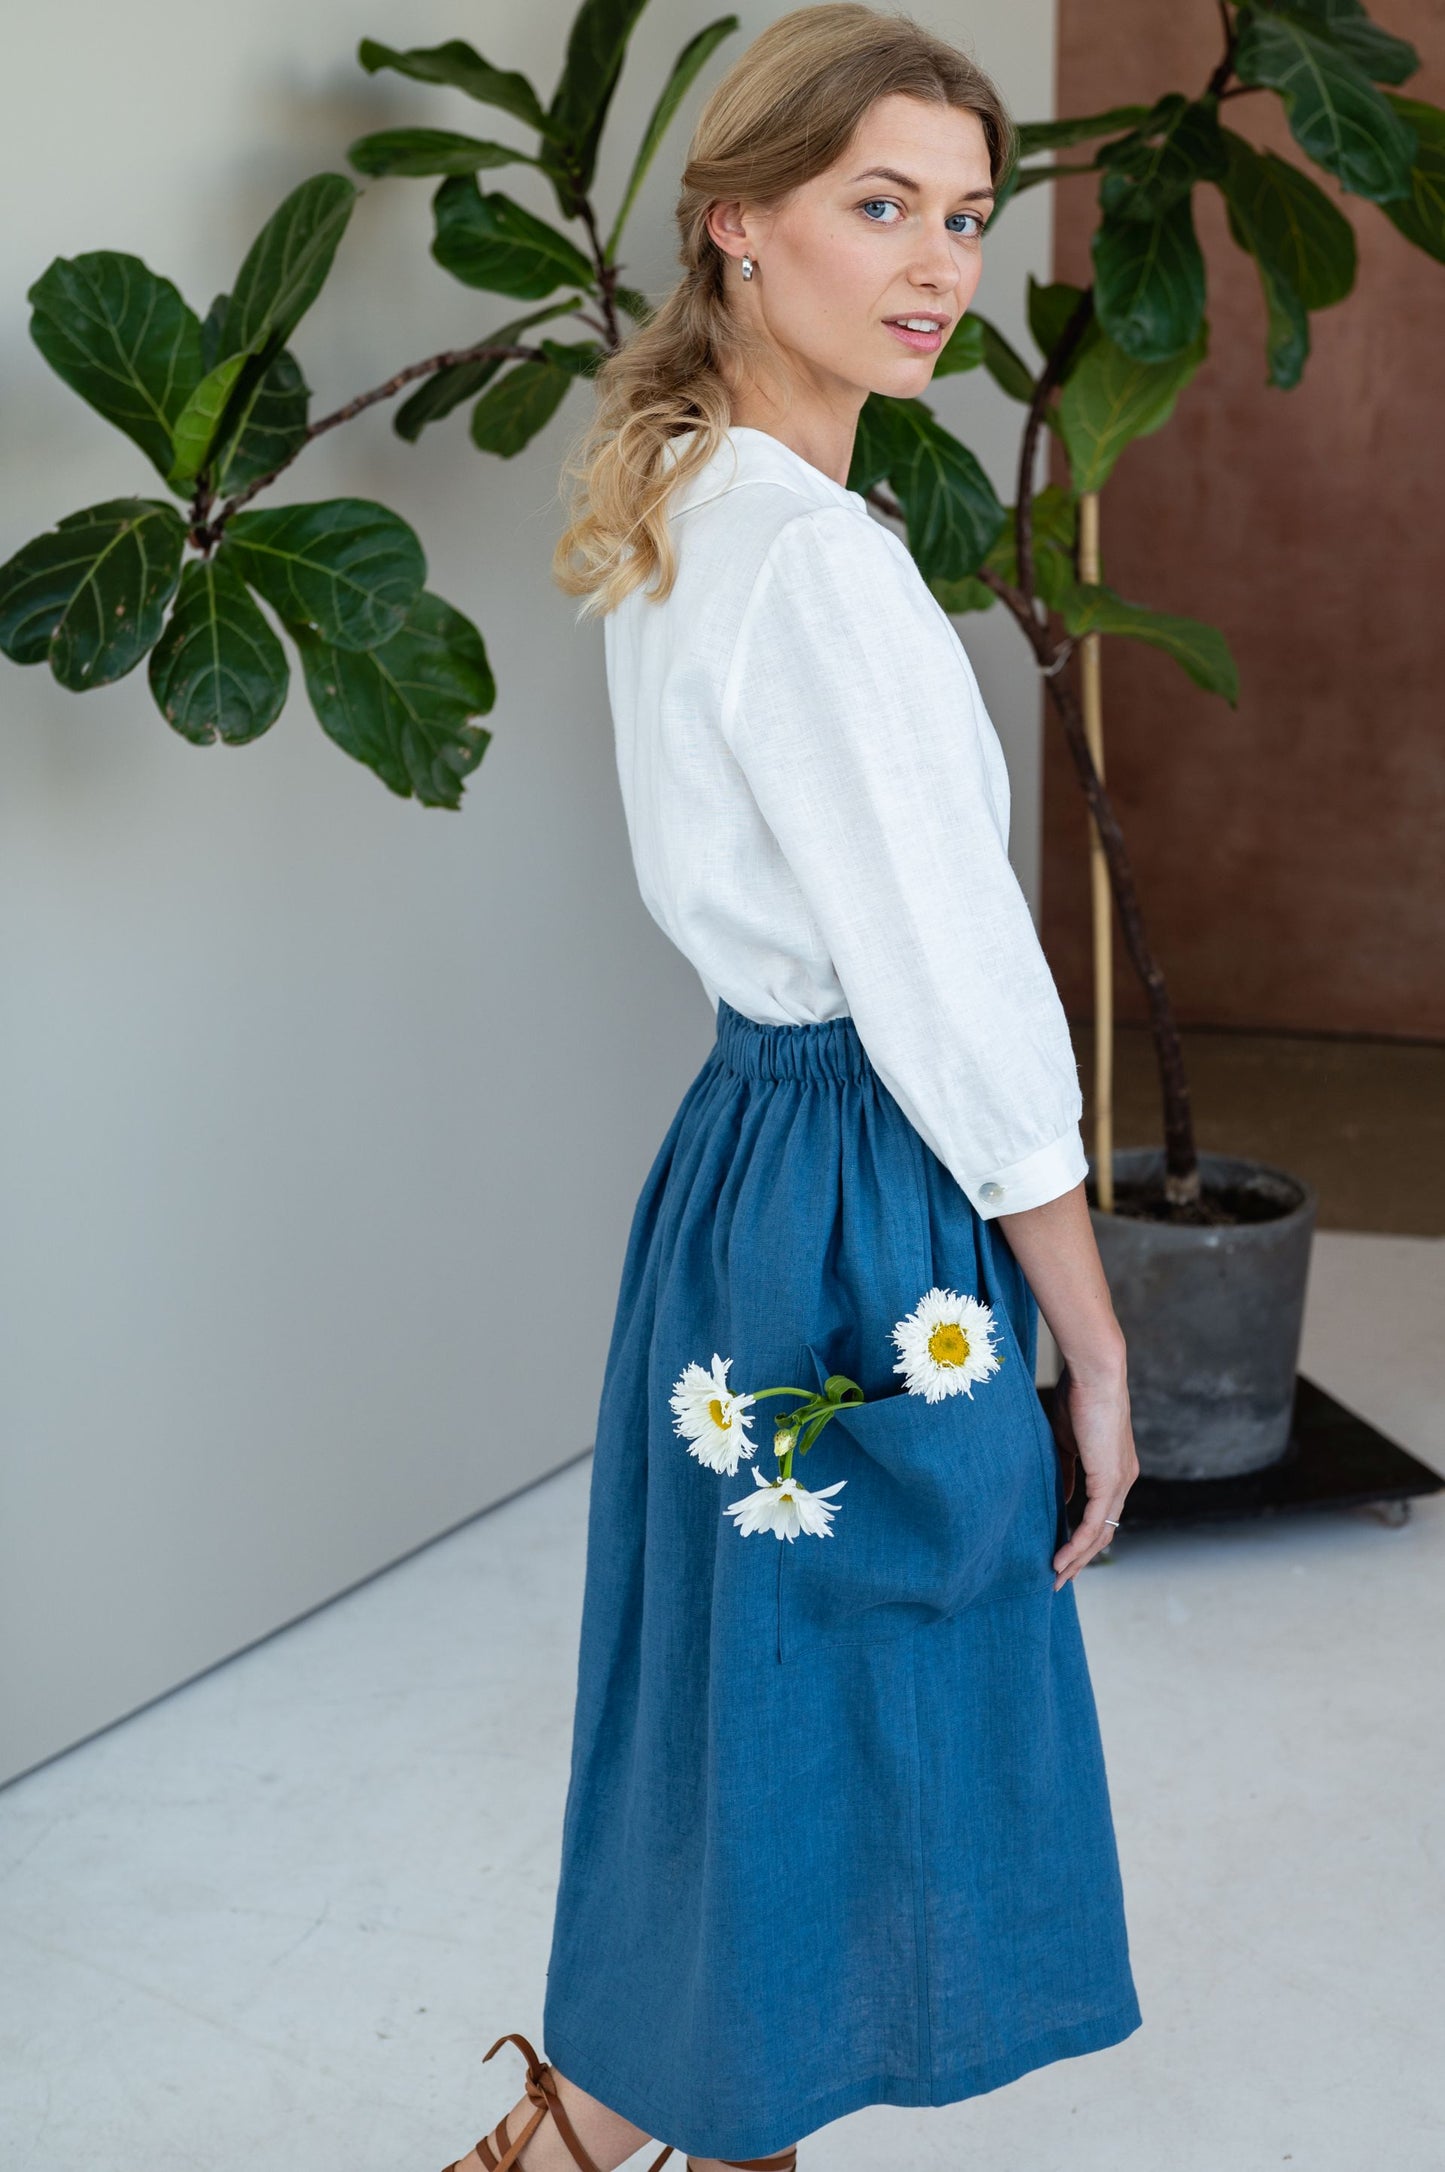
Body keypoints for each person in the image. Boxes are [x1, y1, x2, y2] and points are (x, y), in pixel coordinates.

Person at [441, 8, 1140, 2170]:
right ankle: (575, 2142)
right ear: (741, 228)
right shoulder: (812, 563)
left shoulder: (696, 504)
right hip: (855, 1174)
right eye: (878, 207)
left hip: (750, 1161)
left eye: (964, 214)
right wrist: (1091, 1331)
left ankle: (610, 2132)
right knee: (849, 1690)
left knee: (766, 1705)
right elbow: (952, 991)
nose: (938, 263)